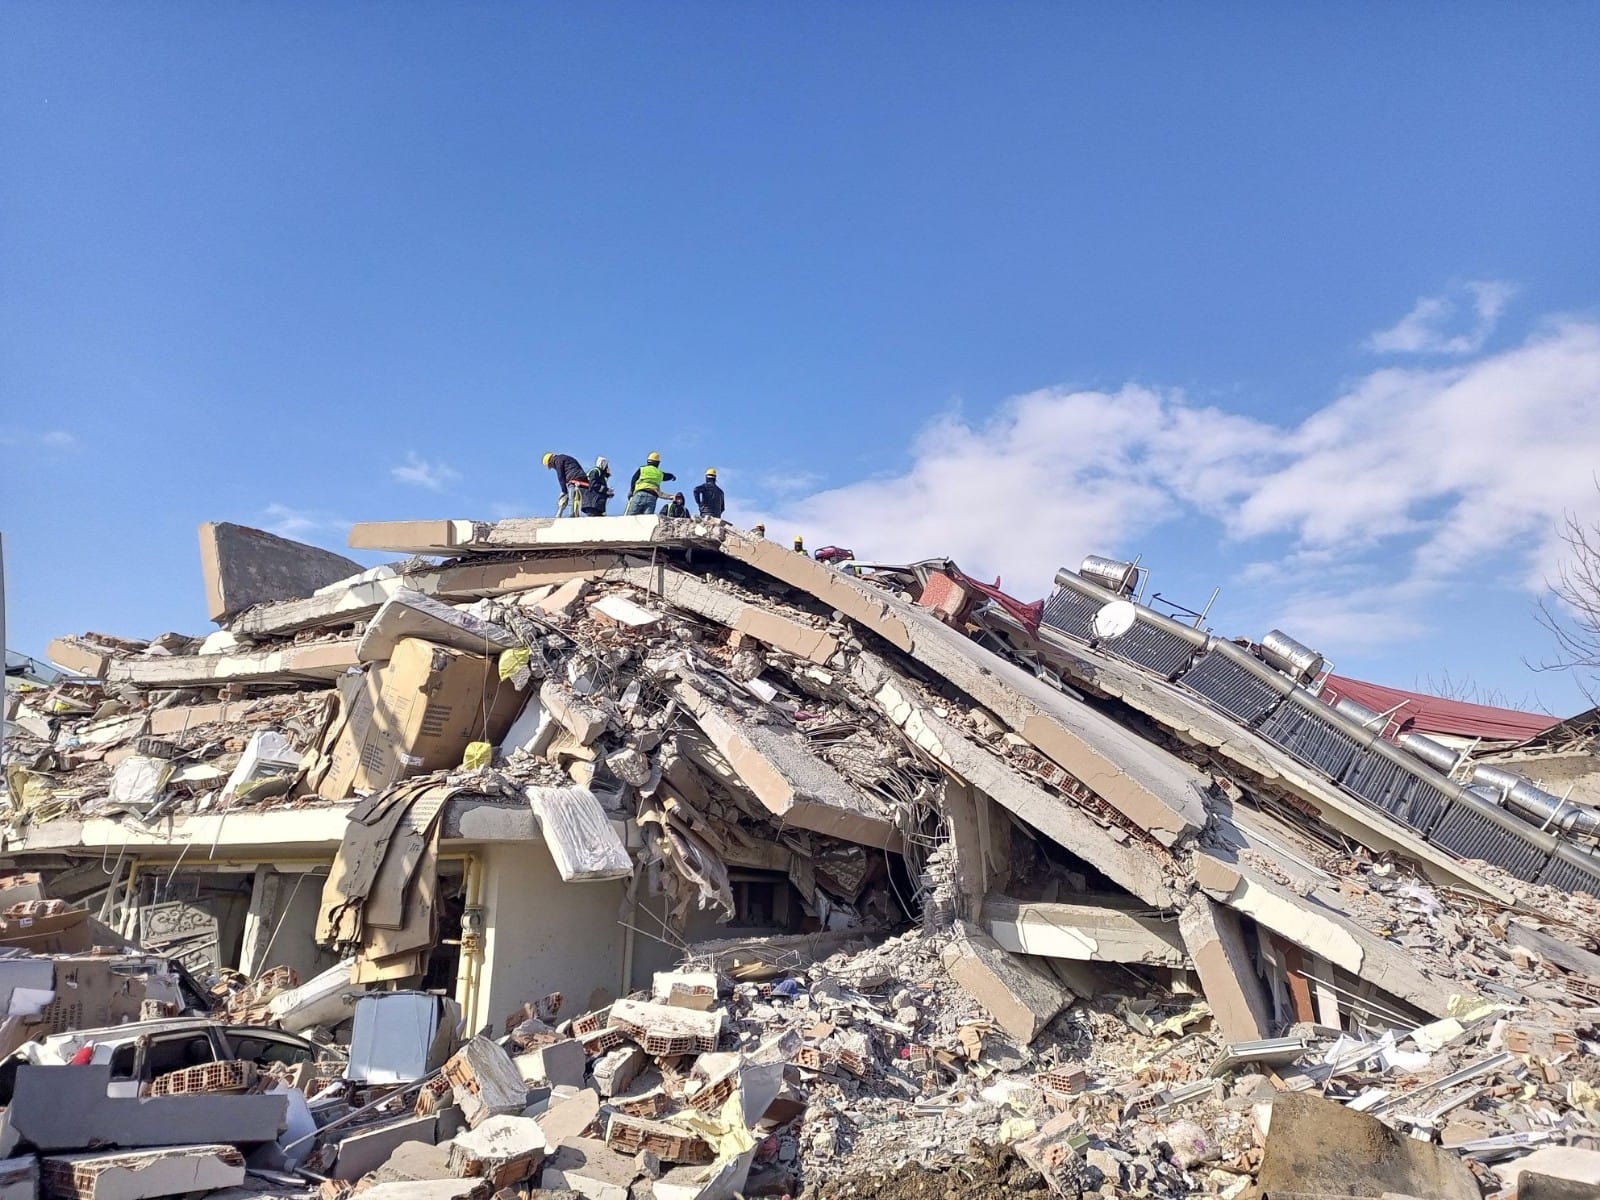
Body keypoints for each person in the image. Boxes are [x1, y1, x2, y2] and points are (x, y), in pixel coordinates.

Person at [625, 451, 676, 516]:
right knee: (647, 519)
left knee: (631, 517)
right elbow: (666, 476)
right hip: (652, 497)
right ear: (658, 463)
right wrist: (672, 476)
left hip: (639, 495)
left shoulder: (642, 469)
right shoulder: (659, 473)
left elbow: (633, 480)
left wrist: (632, 491)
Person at [543, 452, 588, 517]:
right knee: (581, 499)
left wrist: (564, 491)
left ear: (550, 462)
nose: (552, 467)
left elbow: (561, 476)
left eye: (550, 466)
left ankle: (571, 514)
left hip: (573, 480)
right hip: (583, 479)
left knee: (571, 499)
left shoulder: (557, 461)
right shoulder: (565, 458)